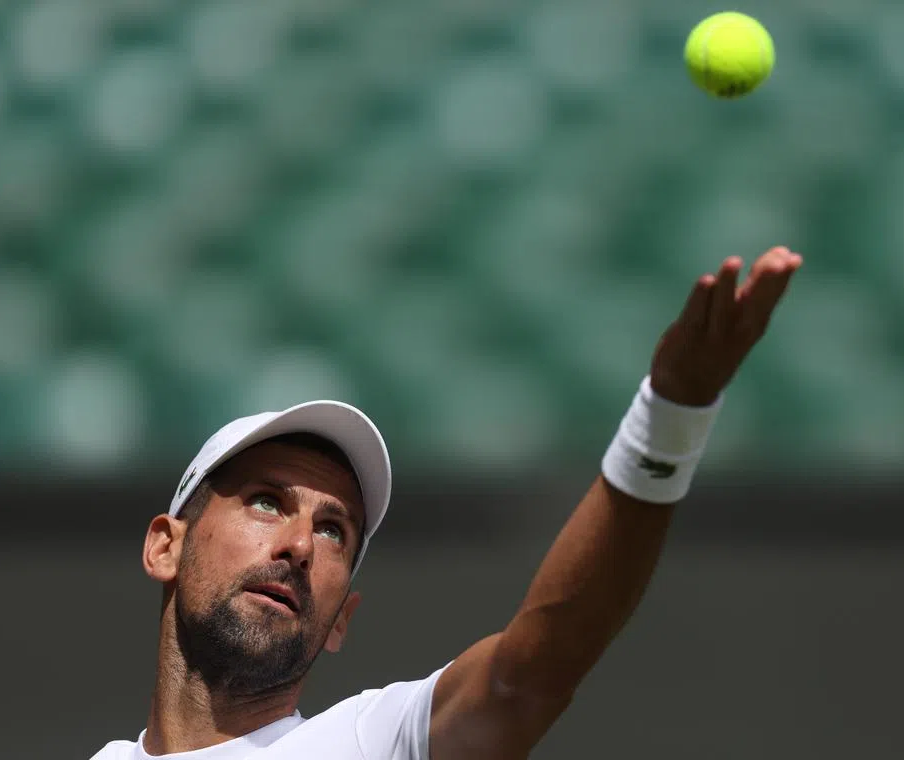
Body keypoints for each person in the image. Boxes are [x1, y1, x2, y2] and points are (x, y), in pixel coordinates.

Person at [90, 248, 803, 760]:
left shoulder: (371, 744)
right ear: (166, 546)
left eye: (335, 530)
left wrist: (669, 418)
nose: (301, 545)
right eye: (268, 503)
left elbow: (533, 671)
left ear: (343, 619)